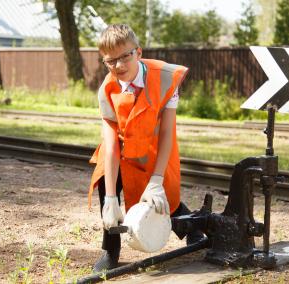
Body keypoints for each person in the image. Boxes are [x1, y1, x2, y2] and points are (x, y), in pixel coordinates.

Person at [88, 24, 204, 272]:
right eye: (110, 61)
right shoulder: (106, 90)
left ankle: (194, 229)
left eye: (124, 57)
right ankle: (111, 248)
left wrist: (157, 179)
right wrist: (110, 198)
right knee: (105, 181)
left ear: (138, 52)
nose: (118, 66)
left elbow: (166, 133)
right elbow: (110, 146)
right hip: (119, 150)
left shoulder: (165, 78)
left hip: (152, 147)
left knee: (163, 199)